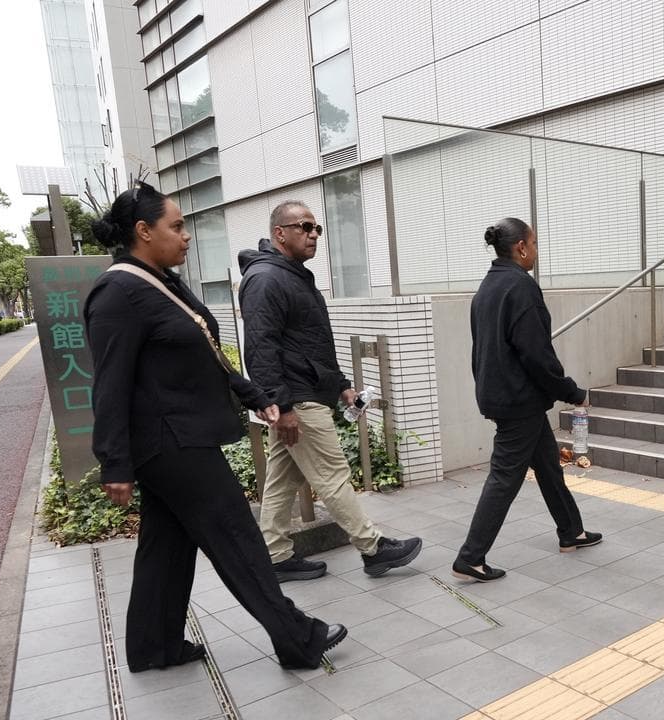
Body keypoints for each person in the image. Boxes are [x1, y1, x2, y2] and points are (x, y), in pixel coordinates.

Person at [85, 182, 345, 672]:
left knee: (167, 546)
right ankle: (297, 637)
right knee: (237, 537)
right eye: (177, 226)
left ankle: (154, 646)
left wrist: (256, 395)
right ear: (143, 231)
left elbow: (207, 355)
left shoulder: (159, 281)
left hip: (180, 438)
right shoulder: (118, 291)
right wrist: (113, 461)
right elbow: (110, 384)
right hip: (170, 442)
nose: (187, 236)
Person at [239, 201, 422, 582]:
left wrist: (342, 387)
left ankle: (272, 554)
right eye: (303, 227)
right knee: (333, 474)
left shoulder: (292, 275)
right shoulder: (267, 279)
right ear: (280, 233)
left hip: (304, 393)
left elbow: (312, 345)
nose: (313, 234)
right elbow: (260, 347)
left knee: (282, 478)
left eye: (316, 228)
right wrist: (281, 405)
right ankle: (373, 548)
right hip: (297, 399)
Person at [452, 218, 602, 582]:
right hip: (519, 400)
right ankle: (470, 557)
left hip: (503, 394)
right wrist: (571, 391)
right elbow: (536, 354)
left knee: (548, 465)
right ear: (521, 246)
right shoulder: (521, 287)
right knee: (504, 477)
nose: (536, 250)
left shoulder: (487, 287)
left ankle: (571, 532)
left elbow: (483, 351)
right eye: (534, 243)